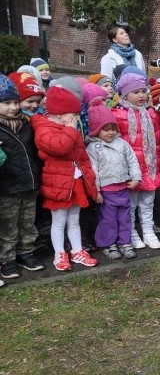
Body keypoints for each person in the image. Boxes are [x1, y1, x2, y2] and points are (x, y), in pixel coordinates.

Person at [31, 86, 99, 271]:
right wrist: (70, 129)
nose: (76, 118)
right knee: (59, 221)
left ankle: (77, 251)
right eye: (73, 114)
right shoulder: (44, 129)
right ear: (61, 114)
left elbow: (82, 157)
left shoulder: (70, 128)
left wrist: (91, 185)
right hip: (58, 184)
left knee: (74, 219)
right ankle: (60, 253)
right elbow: (60, 147)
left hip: (74, 182)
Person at [113, 72, 160, 249]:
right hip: (131, 167)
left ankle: (148, 231)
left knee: (148, 202)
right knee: (131, 204)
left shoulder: (151, 114)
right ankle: (132, 233)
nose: (141, 95)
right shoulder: (118, 115)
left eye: (144, 91)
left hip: (149, 165)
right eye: (136, 92)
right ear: (125, 94)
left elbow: (157, 140)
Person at [85, 98, 142, 259]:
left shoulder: (122, 143)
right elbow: (93, 170)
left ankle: (125, 242)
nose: (110, 132)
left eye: (112, 128)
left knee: (125, 218)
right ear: (96, 130)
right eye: (105, 129)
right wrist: (95, 191)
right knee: (107, 220)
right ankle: (108, 244)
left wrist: (136, 177)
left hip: (123, 188)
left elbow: (132, 160)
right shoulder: (93, 147)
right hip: (106, 191)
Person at [0, 74, 43, 283]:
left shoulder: (26, 124)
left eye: (15, 102)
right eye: (6, 103)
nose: (13, 107)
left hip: (28, 182)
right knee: (8, 225)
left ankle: (26, 252)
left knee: (28, 222)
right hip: (7, 186)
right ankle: (6, 258)